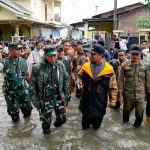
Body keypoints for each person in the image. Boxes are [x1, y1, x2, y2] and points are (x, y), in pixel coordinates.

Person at [29, 45, 70, 134]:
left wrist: (67, 94)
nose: (53, 58)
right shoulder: (37, 68)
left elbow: (66, 79)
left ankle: (55, 129)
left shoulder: (60, 65)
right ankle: (47, 142)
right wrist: (37, 104)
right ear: (45, 55)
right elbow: (32, 88)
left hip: (58, 97)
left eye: (54, 55)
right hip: (45, 100)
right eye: (50, 56)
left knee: (63, 119)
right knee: (46, 125)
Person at [78, 44, 118, 130]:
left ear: (101, 56)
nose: (90, 55)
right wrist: (79, 82)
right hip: (86, 101)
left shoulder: (109, 70)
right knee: (84, 127)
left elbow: (113, 87)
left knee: (96, 128)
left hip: (99, 102)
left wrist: (113, 101)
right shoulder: (86, 66)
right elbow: (79, 77)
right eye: (91, 53)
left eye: (93, 54)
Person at [119, 44, 150, 127]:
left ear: (140, 54)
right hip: (128, 95)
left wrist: (148, 93)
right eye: (133, 54)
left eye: (137, 54)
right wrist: (120, 95)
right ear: (130, 54)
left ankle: (136, 130)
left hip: (140, 95)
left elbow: (148, 81)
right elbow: (121, 81)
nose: (135, 56)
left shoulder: (145, 65)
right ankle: (125, 131)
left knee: (140, 115)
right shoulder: (124, 65)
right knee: (126, 114)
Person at [0, 43, 32, 121]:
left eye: (20, 49)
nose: (19, 51)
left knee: (28, 112)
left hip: (23, 92)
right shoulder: (5, 61)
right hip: (11, 94)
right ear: (10, 51)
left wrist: (32, 86)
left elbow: (27, 75)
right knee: (14, 115)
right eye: (16, 49)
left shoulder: (23, 61)